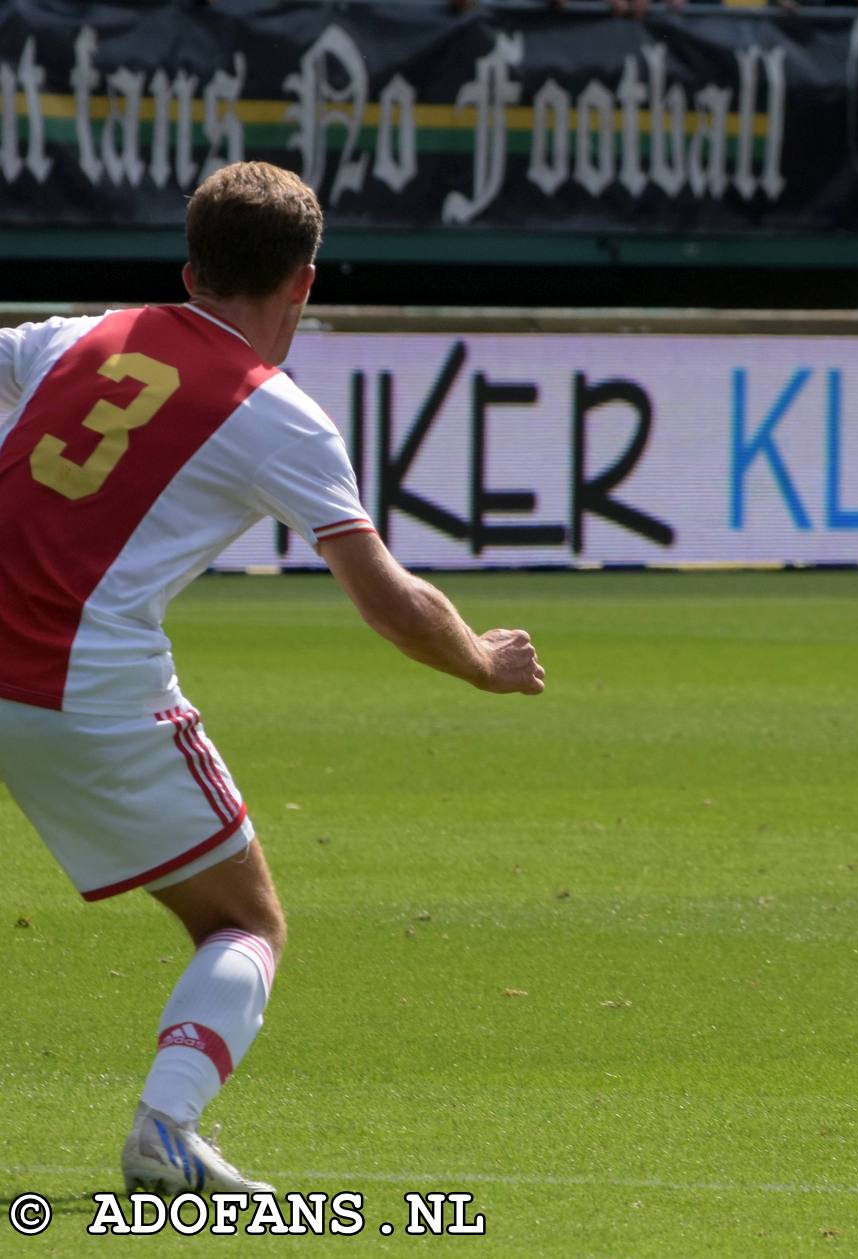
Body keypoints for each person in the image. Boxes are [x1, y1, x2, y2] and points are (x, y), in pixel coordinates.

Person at [0, 161, 546, 1192]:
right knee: (245, 920)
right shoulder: (277, 413)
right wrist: (483, 660)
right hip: (80, 688)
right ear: (304, 282)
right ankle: (165, 1131)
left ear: (190, 266)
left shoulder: (76, 335)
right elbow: (390, 600)